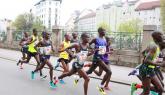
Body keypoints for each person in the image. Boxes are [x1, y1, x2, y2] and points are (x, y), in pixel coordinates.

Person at [84, 27, 112, 94]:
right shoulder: (95, 39)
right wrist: (93, 49)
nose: (105, 31)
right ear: (99, 31)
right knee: (109, 72)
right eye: (103, 30)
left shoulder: (104, 39)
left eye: (105, 30)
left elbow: (103, 50)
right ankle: (101, 86)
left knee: (89, 71)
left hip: (101, 58)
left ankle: (79, 74)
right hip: (97, 58)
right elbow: (87, 45)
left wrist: (107, 52)